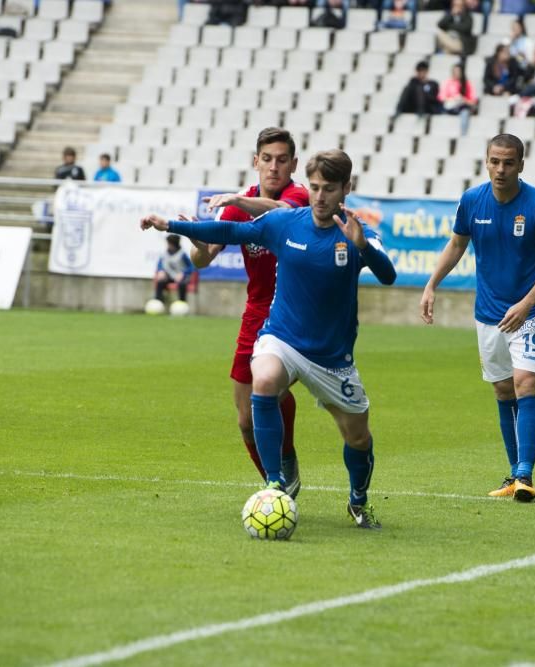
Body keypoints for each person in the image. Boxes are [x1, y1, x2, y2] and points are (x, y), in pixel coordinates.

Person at [141, 149, 397, 530]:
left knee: (357, 437)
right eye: (314, 187)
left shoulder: (357, 233)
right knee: (262, 379)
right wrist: (173, 227)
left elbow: (388, 275)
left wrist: (361, 246)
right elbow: (231, 231)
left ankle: (358, 502)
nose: (320, 196)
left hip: (331, 356)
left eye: (329, 188)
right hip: (282, 338)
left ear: (346, 188)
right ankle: (275, 484)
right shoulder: (284, 223)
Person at [419, 134, 535, 503]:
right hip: (488, 314)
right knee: (502, 390)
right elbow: (456, 244)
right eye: (495, 162)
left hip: (531, 312)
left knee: (526, 383)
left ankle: (524, 474)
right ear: (486, 162)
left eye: (509, 163)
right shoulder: (471, 201)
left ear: (521, 164)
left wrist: (526, 302)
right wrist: (431, 284)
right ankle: (514, 473)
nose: (501, 169)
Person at [187, 127, 310, 497]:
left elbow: (282, 213)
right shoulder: (241, 206)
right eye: (267, 159)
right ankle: (276, 486)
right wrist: (197, 240)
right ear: (255, 162)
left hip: (296, 314)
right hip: (256, 313)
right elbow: (202, 260)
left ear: (293, 165)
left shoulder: (299, 196)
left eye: (282, 160)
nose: (274, 167)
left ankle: (281, 469)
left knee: (268, 389)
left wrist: (238, 203)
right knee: (244, 420)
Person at [154, 234, 196, 303]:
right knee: (160, 283)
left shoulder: (182, 254)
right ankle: (158, 302)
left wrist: (183, 273)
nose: (168, 245)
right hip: (170, 276)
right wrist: (161, 271)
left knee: (182, 285)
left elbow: (191, 267)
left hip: (181, 277)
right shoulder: (165, 253)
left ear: (174, 244)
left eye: (169, 244)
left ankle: (182, 303)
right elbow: (160, 264)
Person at [439, 62, 479, 134]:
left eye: (458, 71)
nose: (456, 73)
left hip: (462, 108)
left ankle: (463, 134)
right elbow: (441, 97)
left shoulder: (467, 84)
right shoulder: (447, 82)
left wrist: (463, 100)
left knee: (465, 112)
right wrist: (453, 99)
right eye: (455, 71)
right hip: (450, 107)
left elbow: (473, 101)